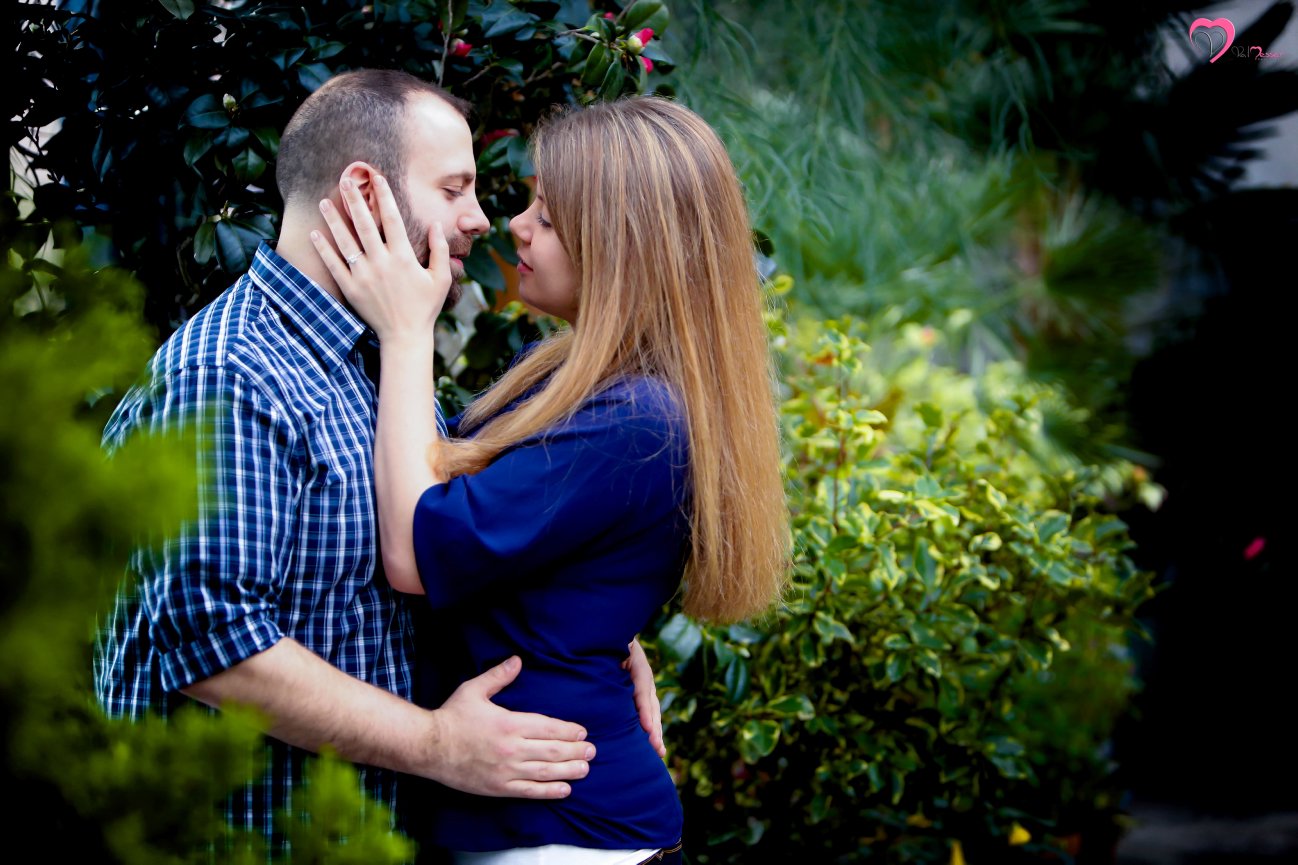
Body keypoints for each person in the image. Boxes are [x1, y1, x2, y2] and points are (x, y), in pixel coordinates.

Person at [94, 69, 664, 855]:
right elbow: (212, 641)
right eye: (455, 188)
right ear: (364, 193)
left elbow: (458, 534)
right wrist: (437, 744)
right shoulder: (230, 375)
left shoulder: (378, 363)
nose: (480, 218)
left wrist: (597, 629)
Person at [311, 95, 790, 865]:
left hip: (564, 834)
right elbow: (560, 559)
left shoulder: (638, 416)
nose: (516, 227)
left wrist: (406, 333)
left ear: (621, 244)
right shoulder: (582, 379)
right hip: (531, 819)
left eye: (550, 214)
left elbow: (412, 549)